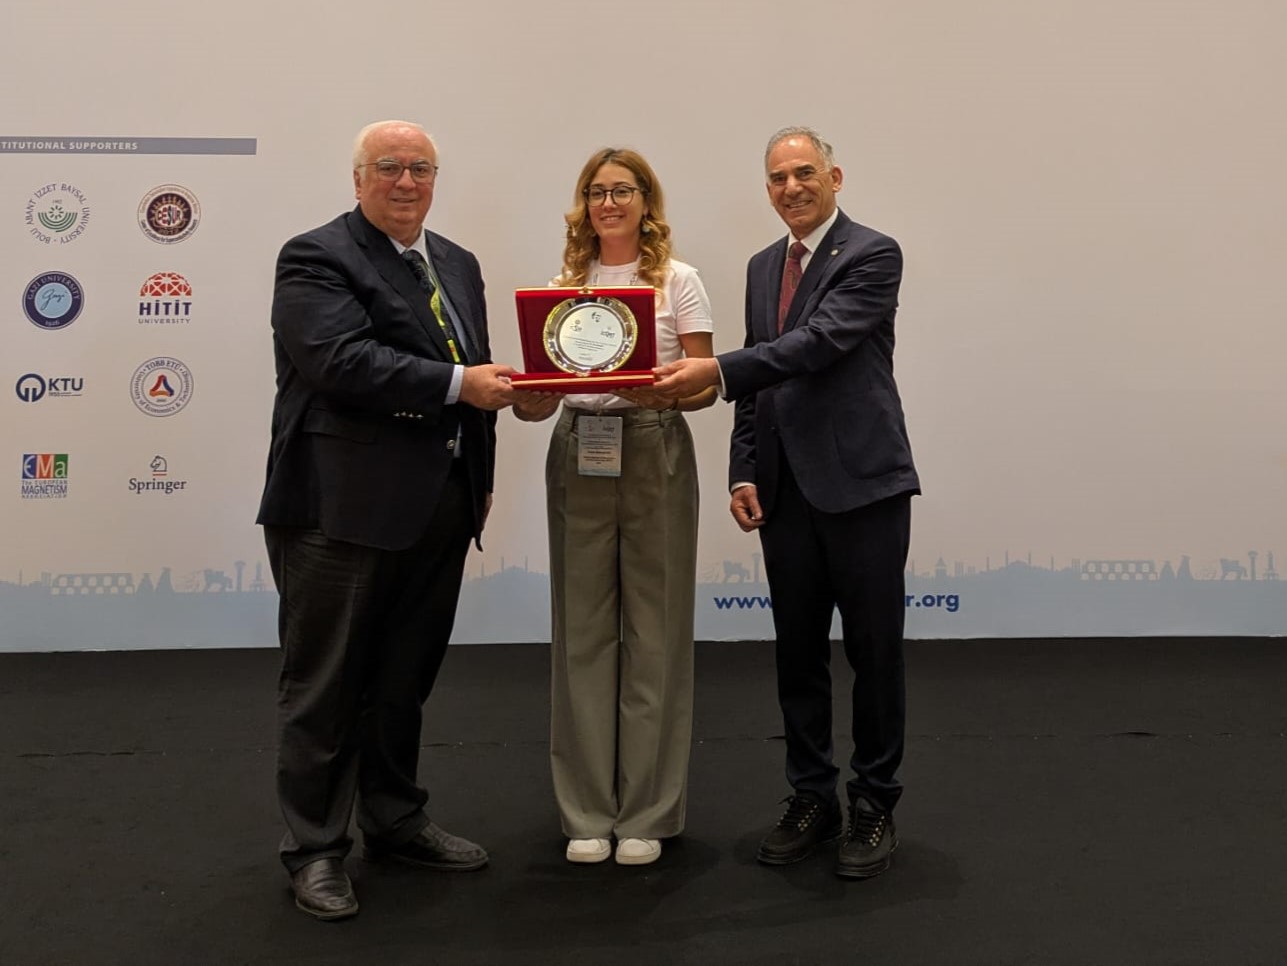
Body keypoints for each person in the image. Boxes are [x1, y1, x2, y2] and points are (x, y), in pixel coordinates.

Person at [257, 119, 516, 920]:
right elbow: (338, 362)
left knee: (403, 680)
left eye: (421, 168)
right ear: (358, 177)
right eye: (389, 167)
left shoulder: (457, 263)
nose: (406, 182)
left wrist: (480, 471)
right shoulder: (316, 256)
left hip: (438, 505)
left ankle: (395, 820)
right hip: (338, 508)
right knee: (326, 687)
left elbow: (472, 368)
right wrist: (461, 387)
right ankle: (315, 850)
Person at [652, 126, 919, 879]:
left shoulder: (872, 253)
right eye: (777, 178)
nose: (791, 188)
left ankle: (874, 802)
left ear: (835, 177)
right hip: (783, 489)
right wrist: (744, 468)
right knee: (797, 655)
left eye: (804, 173)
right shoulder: (763, 265)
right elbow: (761, 381)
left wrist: (712, 370)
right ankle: (811, 797)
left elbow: (818, 344)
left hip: (861, 485)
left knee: (873, 654)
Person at [513, 148, 717, 867]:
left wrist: (665, 390)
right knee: (582, 633)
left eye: (622, 190)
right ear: (584, 205)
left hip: (653, 445)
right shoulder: (562, 288)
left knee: (655, 633)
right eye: (596, 192)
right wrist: (530, 401)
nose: (608, 203)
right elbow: (543, 395)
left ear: (645, 201)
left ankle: (647, 812)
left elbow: (706, 384)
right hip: (579, 447)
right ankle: (586, 811)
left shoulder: (678, 280)